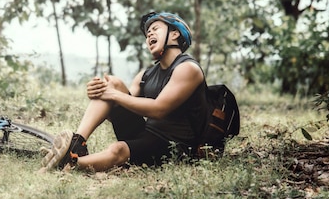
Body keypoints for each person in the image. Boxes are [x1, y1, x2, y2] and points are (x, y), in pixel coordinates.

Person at [40, 11, 209, 172]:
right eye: (147, 33)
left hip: (175, 146)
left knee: (117, 149)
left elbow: (159, 109)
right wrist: (99, 91)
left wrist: (112, 94)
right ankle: (77, 144)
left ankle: (70, 163)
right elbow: (118, 108)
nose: (149, 34)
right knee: (112, 83)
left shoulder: (188, 69)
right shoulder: (146, 75)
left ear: (174, 34)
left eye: (155, 29)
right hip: (147, 134)